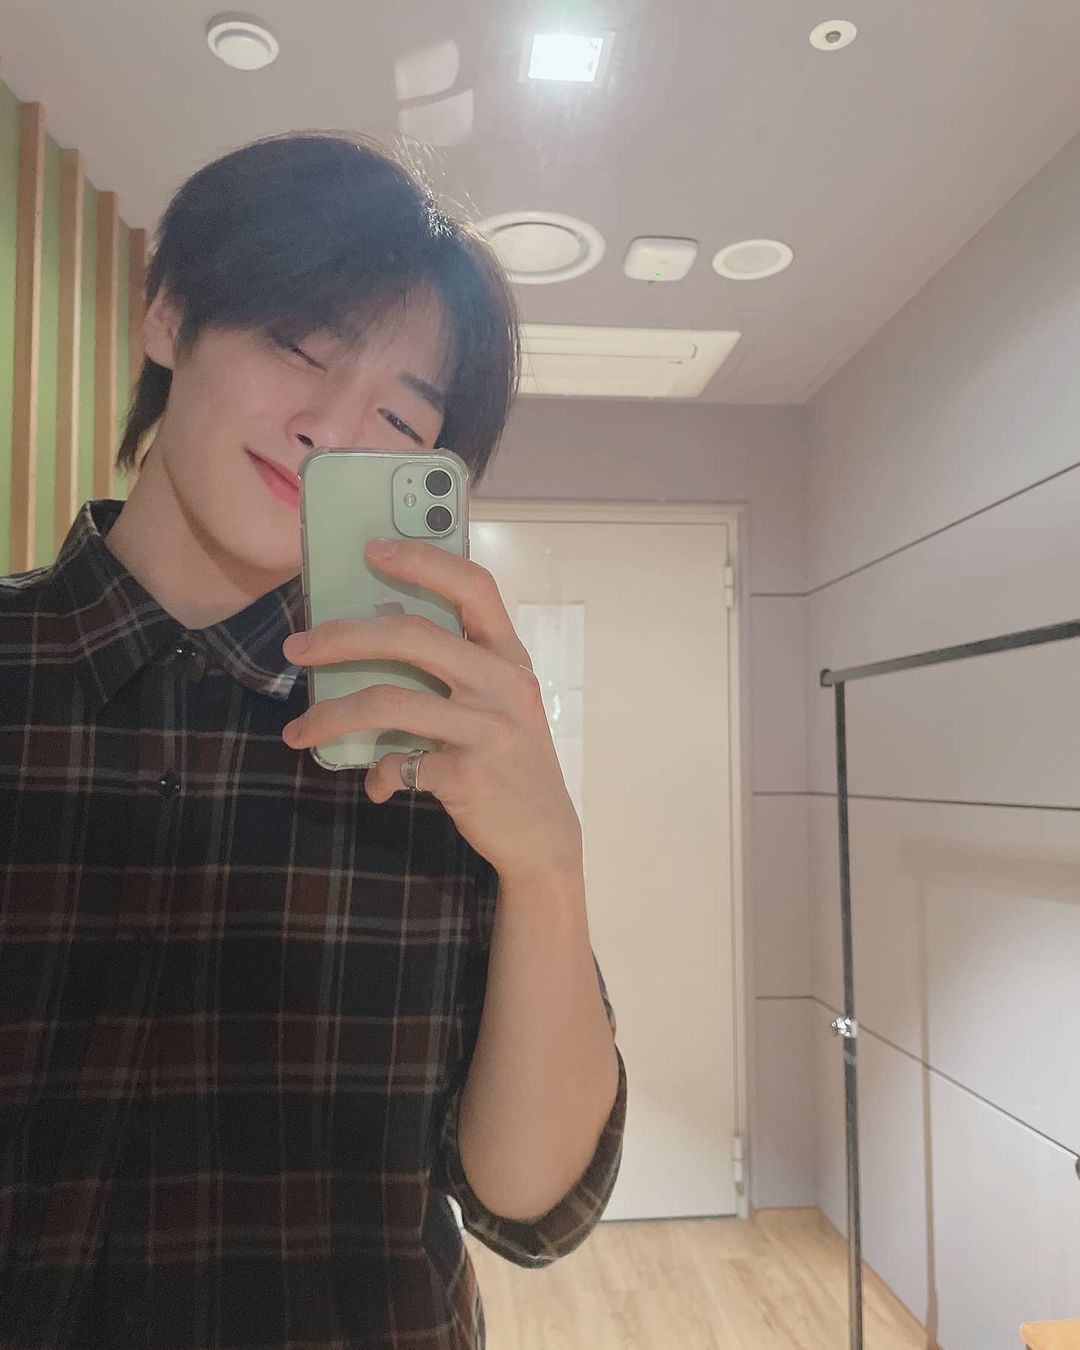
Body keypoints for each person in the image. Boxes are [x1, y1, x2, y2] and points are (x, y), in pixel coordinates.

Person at [0, 131, 627, 1349]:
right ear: (169, 315)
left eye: (398, 414)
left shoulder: (436, 745)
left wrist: (548, 867)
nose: (331, 431)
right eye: (299, 346)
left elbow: (529, 1202)